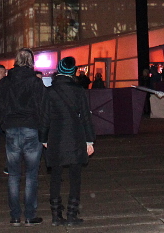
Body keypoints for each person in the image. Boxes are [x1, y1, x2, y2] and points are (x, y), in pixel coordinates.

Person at [40, 56, 95, 226]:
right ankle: (72, 214)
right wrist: (89, 140)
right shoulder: (79, 91)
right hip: (75, 136)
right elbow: (86, 117)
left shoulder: (50, 91)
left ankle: (56, 215)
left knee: (56, 176)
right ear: (73, 71)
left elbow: (45, 118)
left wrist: (43, 138)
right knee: (75, 176)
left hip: (56, 137)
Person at [0, 48, 46, 226]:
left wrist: (4, 123)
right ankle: (30, 214)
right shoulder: (35, 82)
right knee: (32, 174)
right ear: (31, 62)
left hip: (11, 128)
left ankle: (15, 215)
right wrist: (42, 128)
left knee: (14, 174)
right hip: (31, 128)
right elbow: (42, 107)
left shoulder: (5, 82)